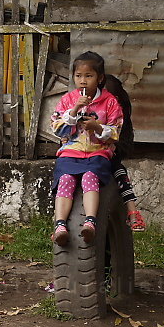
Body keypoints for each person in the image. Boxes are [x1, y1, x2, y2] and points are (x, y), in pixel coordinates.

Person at [51, 51, 123, 246]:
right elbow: (57, 129)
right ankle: (60, 225)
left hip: (97, 153)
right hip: (70, 152)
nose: (83, 81)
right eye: (78, 76)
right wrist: (74, 110)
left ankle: (90, 222)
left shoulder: (110, 102)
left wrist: (97, 127)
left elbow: (116, 132)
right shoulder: (67, 100)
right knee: (65, 179)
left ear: (100, 78)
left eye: (88, 76)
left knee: (90, 177)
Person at [103, 74, 146, 232]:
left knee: (120, 173)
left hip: (109, 160)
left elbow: (124, 145)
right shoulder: (86, 110)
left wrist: (113, 147)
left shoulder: (119, 116)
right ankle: (61, 222)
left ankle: (132, 212)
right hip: (84, 158)